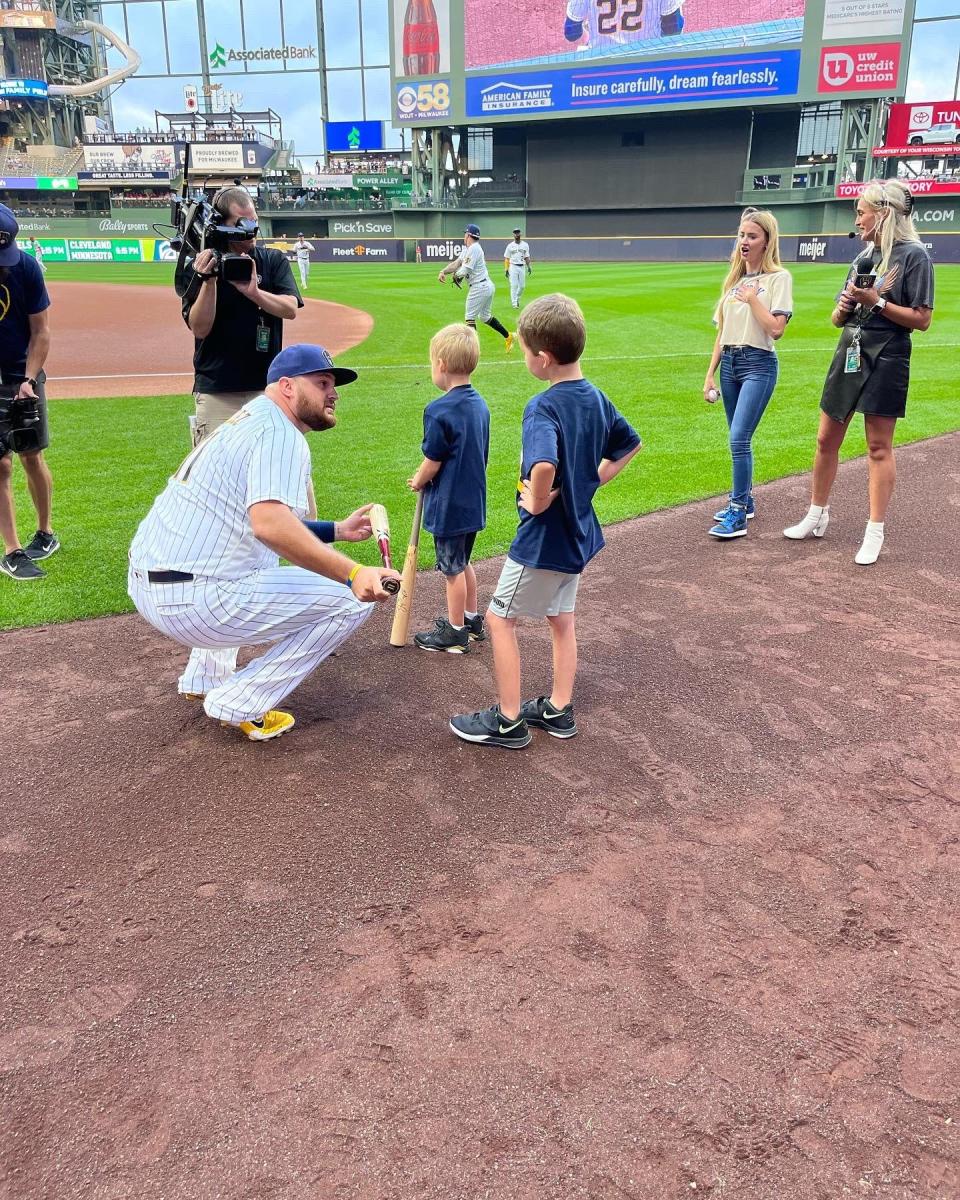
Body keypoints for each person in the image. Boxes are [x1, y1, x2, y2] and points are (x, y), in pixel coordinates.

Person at [128, 344, 401, 742]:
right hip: (193, 601)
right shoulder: (280, 435)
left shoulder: (251, 418)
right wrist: (354, 573)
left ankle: (205, 678)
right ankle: (239, 701)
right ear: (287, 386)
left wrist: (337, 530)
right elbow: (271, 526)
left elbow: (267, 523)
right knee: (349, 599)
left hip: (151, 584)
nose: (334, 393)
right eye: (322, 382)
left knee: (254, 558)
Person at [450, 294, 641, 749]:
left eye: (524, 349)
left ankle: (509, 720)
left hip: (544, 538)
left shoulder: (543, 406)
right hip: (577, 533)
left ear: (543, 358)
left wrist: (536, 502)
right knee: (561, 617)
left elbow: (541, 466)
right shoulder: (595, 396)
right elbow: (629, 444)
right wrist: (592, 481)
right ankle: (558, 708)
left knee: (499, 621)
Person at [783, 180, 934, 565]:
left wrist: (877, 302)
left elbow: (922, 319)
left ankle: (874, 530)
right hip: (850, 347)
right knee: (824, 438)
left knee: (878, 446)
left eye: (861, 211)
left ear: (882, 213)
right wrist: (847, 304)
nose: (858, 219)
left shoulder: (914, 256)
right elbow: (836, 318)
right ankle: (816, 515)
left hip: (888, 352)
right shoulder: (862, 258)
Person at [182, 186, 302, 446]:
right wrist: (209, 281)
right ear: (220, 224)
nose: (251, 230)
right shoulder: (199, 265)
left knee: (279, 470)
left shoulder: (272, 260)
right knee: (214, 479)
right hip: (218, 392)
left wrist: (255, 293)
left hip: (267, 390)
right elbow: (200, 328)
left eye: (254, 221)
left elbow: (290, 308)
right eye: (241, 223)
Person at [702, 208, 792, 539]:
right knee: (738, 438)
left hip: (759, 364)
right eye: (741, 235)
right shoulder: (734, 281)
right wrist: (710, 374)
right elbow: (721, 333)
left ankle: (738, 512)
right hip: (731, 365)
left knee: (738, 437)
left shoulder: (778, 279)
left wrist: (754, 299)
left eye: (752, 236)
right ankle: (747, 500)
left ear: (767, 242)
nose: (744, 241)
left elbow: (776, 329)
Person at [408, 324, 490, 654]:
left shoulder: (438, 410)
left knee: (451, 570)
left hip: (449, 504)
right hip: (473, 501)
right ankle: (471, 620)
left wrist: (418, 479)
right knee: (463, 561)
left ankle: (455, 632)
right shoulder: (480, 404)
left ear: (440, 364)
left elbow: (433, 459)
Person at [0, 204, 57, 582]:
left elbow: (41, 331)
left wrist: (28, 378)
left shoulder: (26, 268)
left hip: (21, 374)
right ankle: (12, 550)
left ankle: (46, 533)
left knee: (30, 456)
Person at [438, 225, 514, 352]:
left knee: (469, 317)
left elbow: (466, 269)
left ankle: (473, 350)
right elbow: (457, 264)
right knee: (485, 317)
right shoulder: (468, 249)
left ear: (468, 235)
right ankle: (509, 336)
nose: (464, 236)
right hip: (486, 285)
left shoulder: (474, 248)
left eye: (465, 234)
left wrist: (456, 275)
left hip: (480, 287)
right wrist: (443, 271)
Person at [564, 0, 684, 50]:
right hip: (649, 63)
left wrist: (588, 38)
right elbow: (673, 28)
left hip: (601, 63)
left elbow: (571, 32)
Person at [503, 228, 531, 310]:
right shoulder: (510, 246)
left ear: (520, 234)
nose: (516, 234)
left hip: (522, 266)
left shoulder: (525, 245)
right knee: (514, 285)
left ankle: (517, 298)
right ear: (513, 235)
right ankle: (514, 303)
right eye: (515, 233)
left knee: (522, 286)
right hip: (513, 266)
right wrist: (506, 269)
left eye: (518, 232)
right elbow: (507, 258)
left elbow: (527, 256)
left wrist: (529, 266)